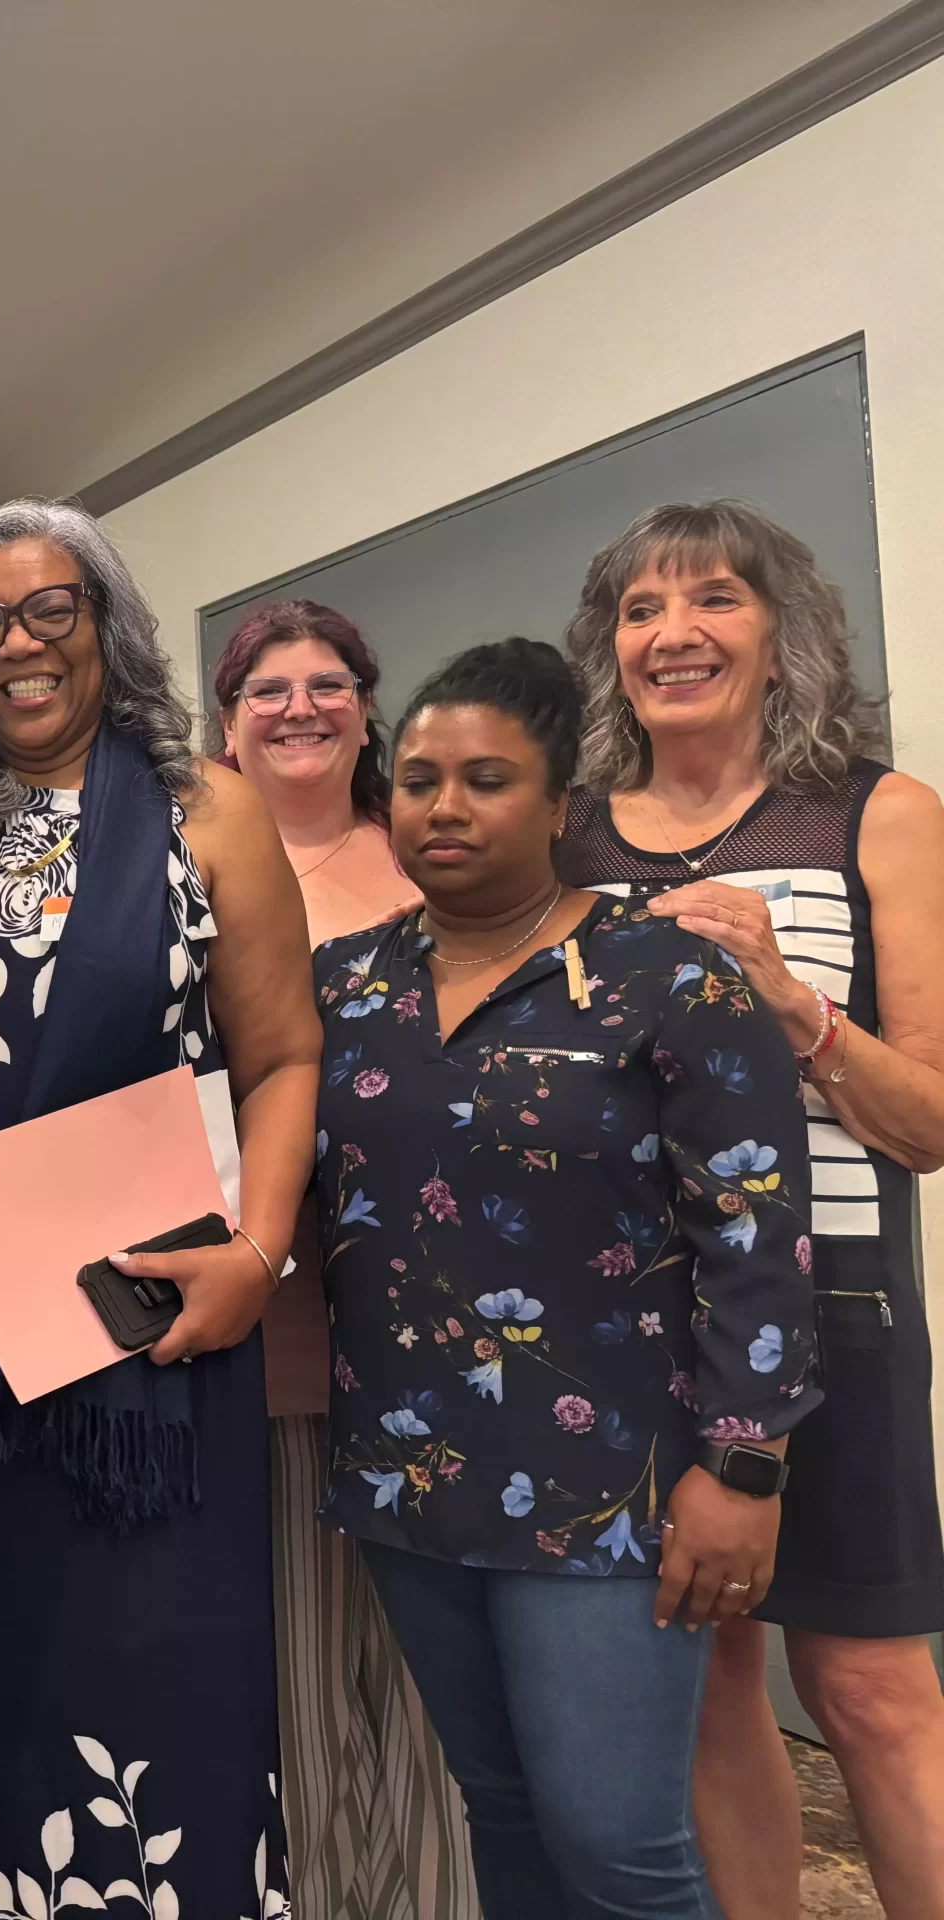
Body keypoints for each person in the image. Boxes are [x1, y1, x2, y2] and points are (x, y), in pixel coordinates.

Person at [0, 499, 320, 1920]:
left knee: (155, 1677)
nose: (20, 644)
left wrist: (258, 1254)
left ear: (108, 623)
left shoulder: (209, 813)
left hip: (146, 1347)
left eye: (51, 609)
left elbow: (283, 1056)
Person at [317, 636, 821, 1918]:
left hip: (612, 1489)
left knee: (617, 1848)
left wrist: (745, 1466)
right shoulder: (345, 986)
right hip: (407, 1474)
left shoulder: (670, 975)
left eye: (485, 780)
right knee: (499, 1808)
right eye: (419, 780)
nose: (443, 807)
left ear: (559, 806)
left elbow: (757, 1235)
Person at [558, 500, 944, 1918]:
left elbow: (930, 1123)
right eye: (642, 610)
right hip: (628, 1314)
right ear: (611, 649)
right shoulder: (568, 838)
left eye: (714, 598)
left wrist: (790, 1004)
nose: (675, 634)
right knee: (707, 1680)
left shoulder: (876, 815)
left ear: (781, 635)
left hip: (834, 1296)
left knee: (868, 1685)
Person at [211, 600, 476, 1919]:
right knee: (299, 1661)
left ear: (369, 710)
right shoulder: (184, 865)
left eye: (327, 683)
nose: (299, 707)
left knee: (434, 1664)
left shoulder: (435, 858)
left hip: (440, 1319)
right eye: (266, 688)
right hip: (271, 1317)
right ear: (225, 722)